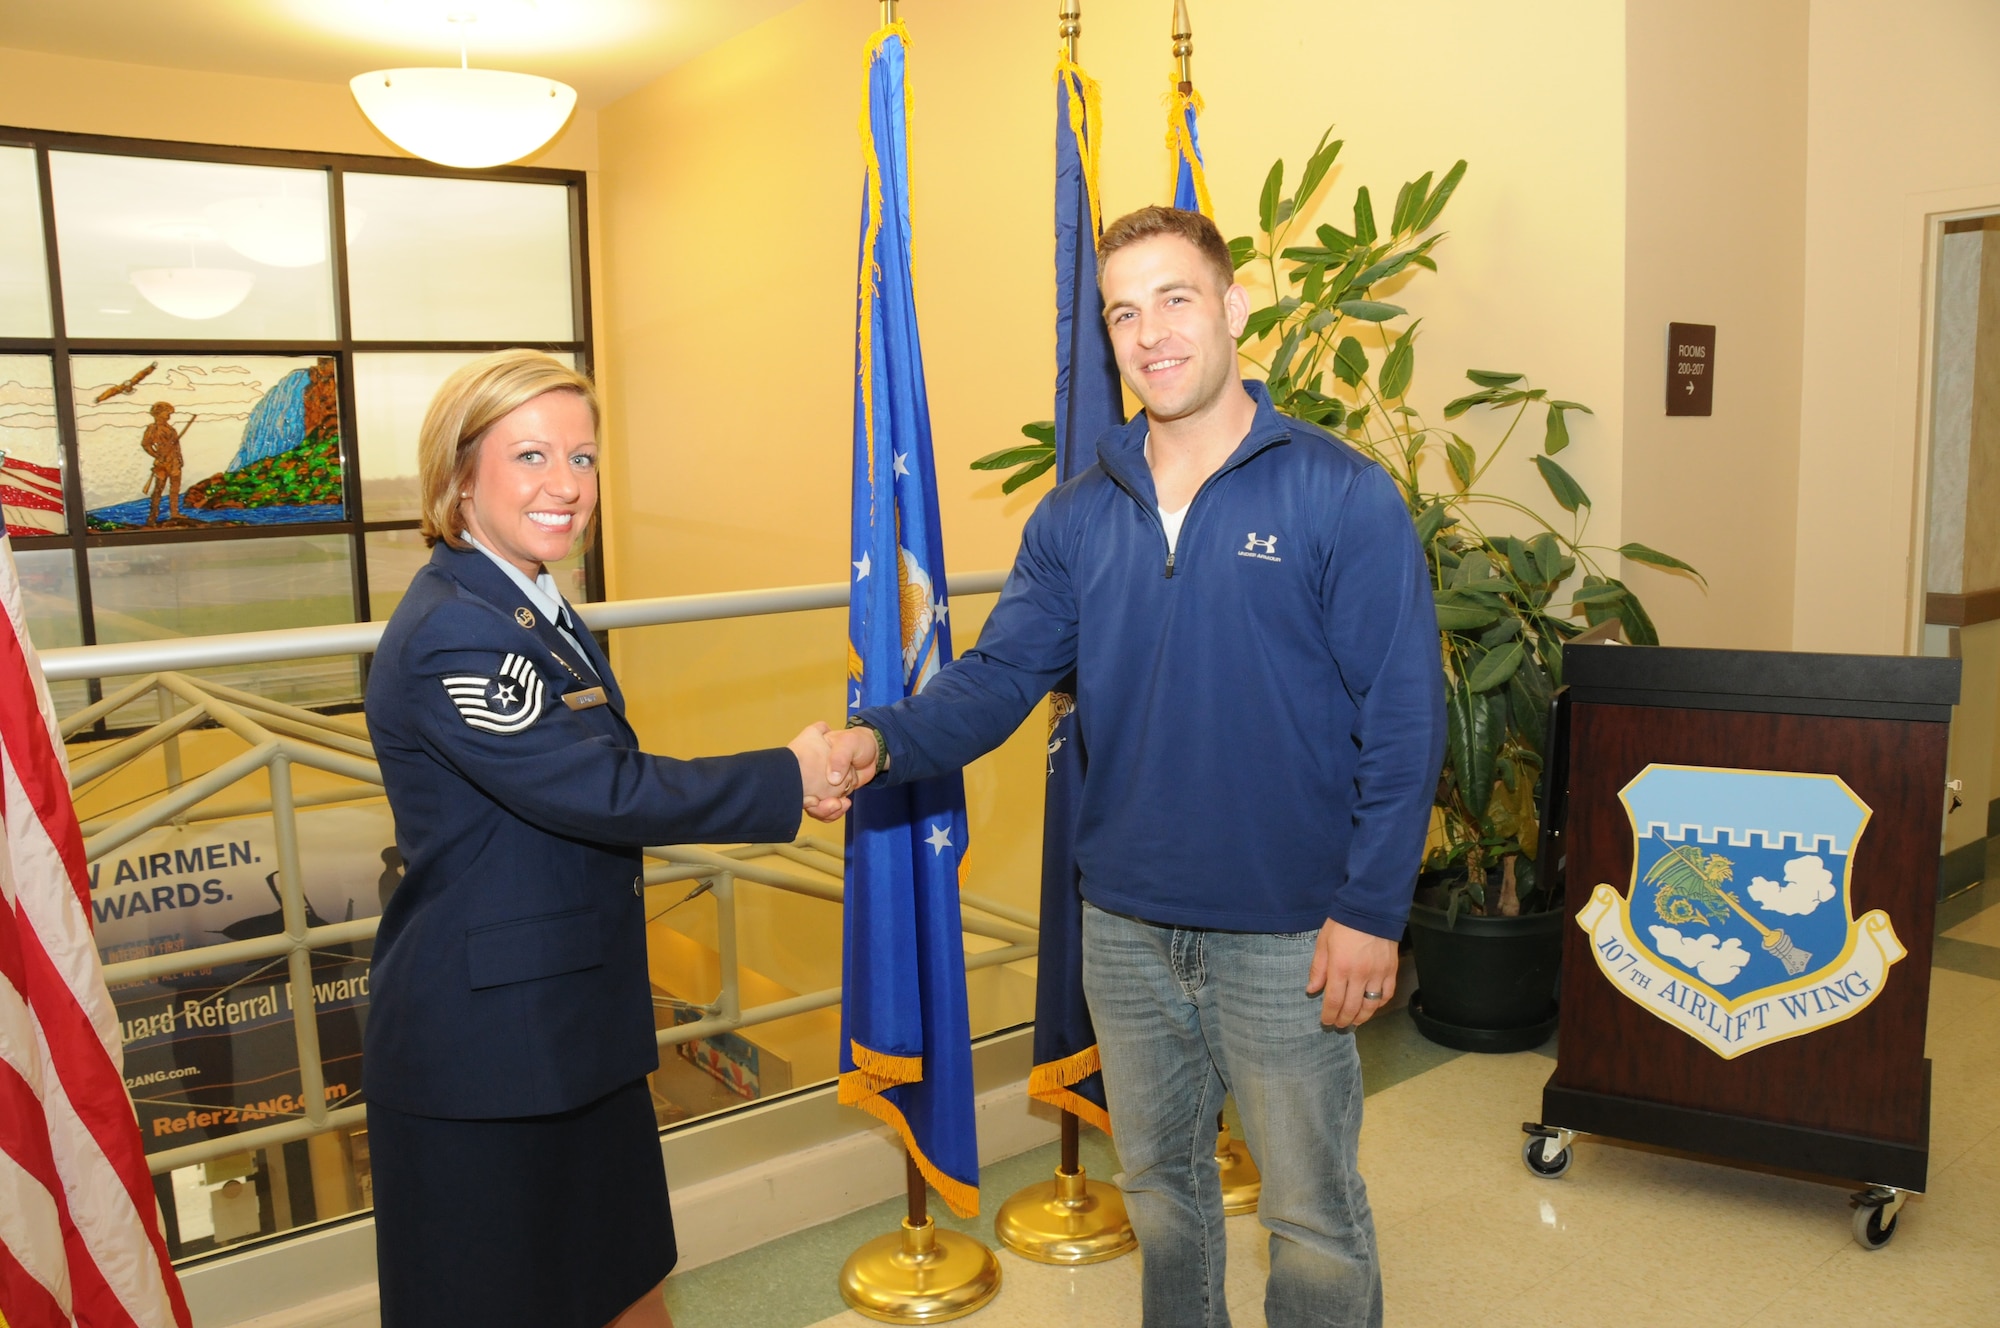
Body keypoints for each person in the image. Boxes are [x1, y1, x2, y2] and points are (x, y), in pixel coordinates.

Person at [825, 207, 1445, 1328]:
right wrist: (881, 736)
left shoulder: (1336, 494)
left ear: (1230, 309)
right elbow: (999, 675)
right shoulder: (1073, 517)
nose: (1149, 331)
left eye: (1174, 298)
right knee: (1161, 1195)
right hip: (1121, 925)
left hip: (1288, 934)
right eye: (1123, 310)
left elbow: (1402, 719)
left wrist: (1369, 908)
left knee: (1308, 1213)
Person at [363, 349, 850, 1328]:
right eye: (531, 455)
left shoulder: (530, 603)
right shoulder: (456, 630)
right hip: (488, 1053)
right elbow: (596, 788)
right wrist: (784, 777)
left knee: (623, 1275)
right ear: (459, 474)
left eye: (581, 458)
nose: (565, 485)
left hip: (570, 1024)